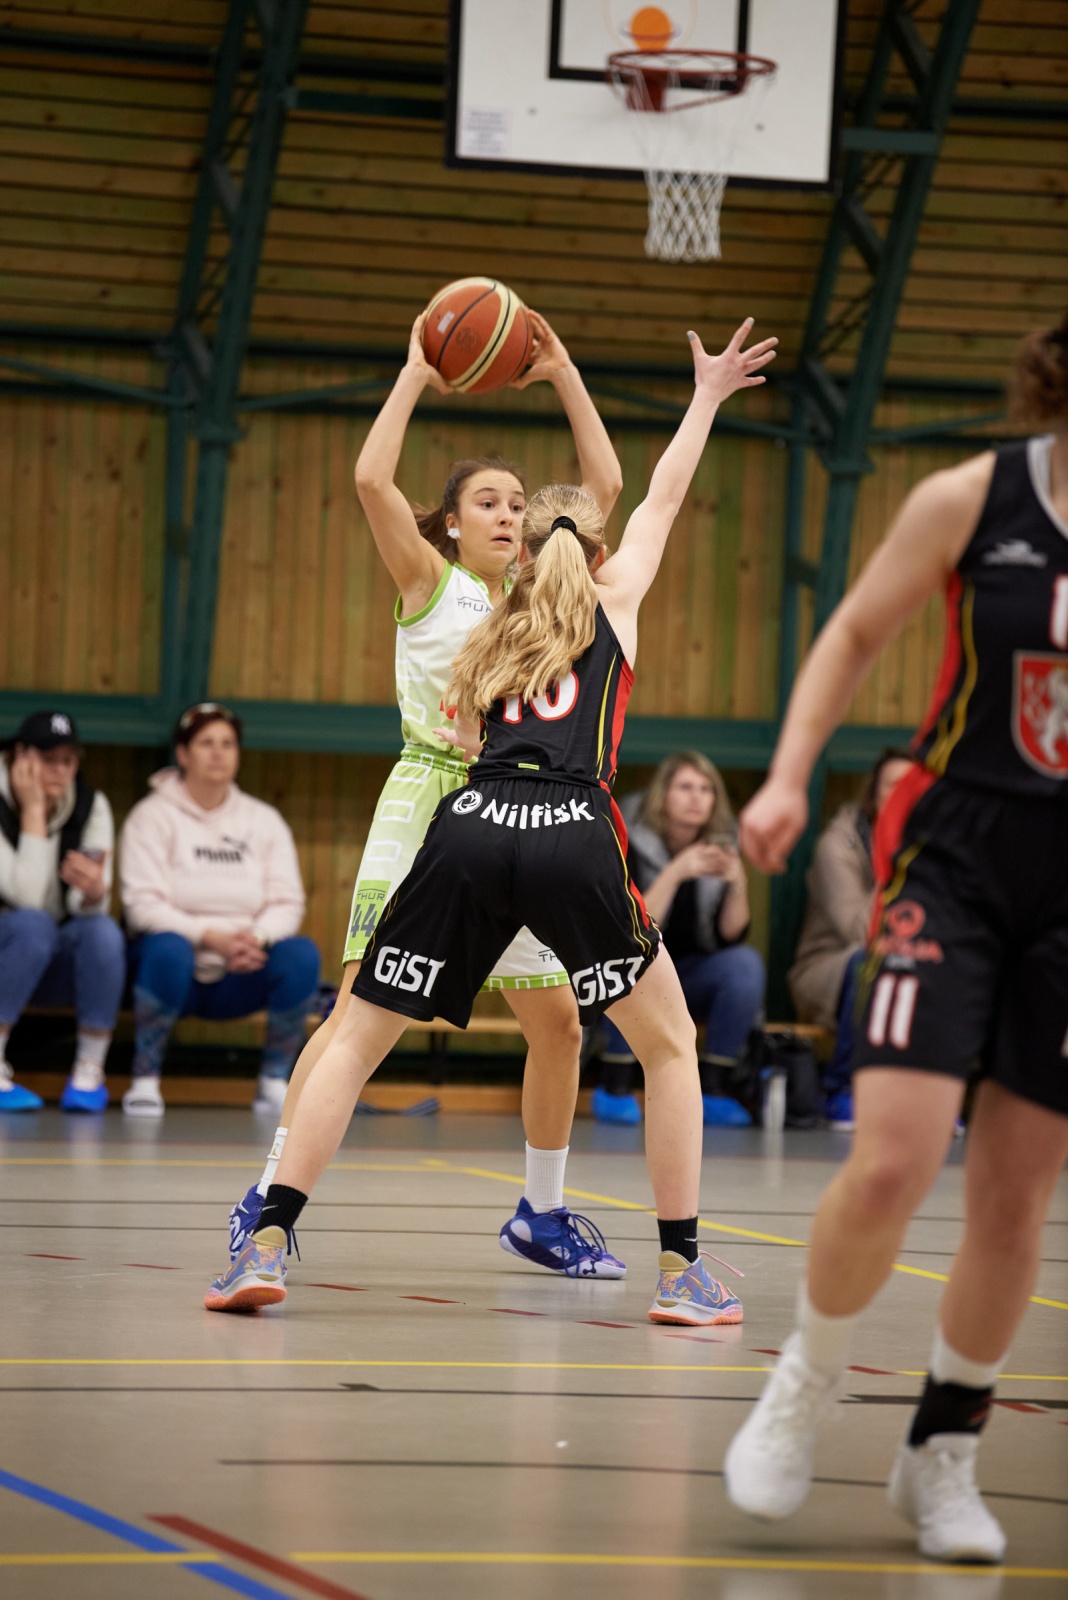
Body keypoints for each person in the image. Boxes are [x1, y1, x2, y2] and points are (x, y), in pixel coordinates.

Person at [203, 315, 778, 1321]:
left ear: (529, 544)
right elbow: (661, 492)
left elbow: (469, 727)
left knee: (357, 1034)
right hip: (570, 827)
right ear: (593, 548)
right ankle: (682, 1271)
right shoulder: (607, 596)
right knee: (669, 1045)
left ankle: (263, 1239)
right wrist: (705, 399)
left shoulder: (491, 617)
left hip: (468, 819)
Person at [724, 311, 1068, 1565]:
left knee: (1018, 1191)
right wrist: (786, 776)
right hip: (958, 851)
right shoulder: (974, 499)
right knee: (891, 1162)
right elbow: (856, 632)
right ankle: (805, 1381)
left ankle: (944, 1450)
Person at [226, 307, 632, 1281]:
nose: (507, 513)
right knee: (359, 1017)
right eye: (487, 500)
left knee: (559, 1022)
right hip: (428, 802)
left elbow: (607, 491)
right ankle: (268, 1197)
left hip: (519, 809)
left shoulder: (541, 595)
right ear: (451, 521)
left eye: (517, 502)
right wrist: (415, 370)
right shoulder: (430, 584)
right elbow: (372, 481)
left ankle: (541, 1212)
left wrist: (564, 369)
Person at [119, 704, 320, 1118]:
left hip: (242, 969)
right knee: (167, 948)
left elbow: (287, 901)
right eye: (206, 743)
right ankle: (145, 1079)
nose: (218, 753)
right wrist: (212, 938)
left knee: (301, 955)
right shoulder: (150, 817)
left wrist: (255, 940)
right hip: (175, 970)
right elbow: (141, 906)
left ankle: (275, 1081)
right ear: (182, 754)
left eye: (228, 744)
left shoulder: (264, 820)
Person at [592, 752, 764, 1128]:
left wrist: (738, 882)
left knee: (745, 964)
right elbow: (632, 927)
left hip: (691, 974)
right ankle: (615, 1085)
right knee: (629, 959)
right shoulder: (627, 838)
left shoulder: (721, 842)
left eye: (706, 789)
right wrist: (676, 872)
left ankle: (714, 1087)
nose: (696, 797)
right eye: (685, 787)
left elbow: (731, 934)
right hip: (638, 967)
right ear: (663, 795)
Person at [0, 710, 124, 1113]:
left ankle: (90, 1069)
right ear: (19, 756)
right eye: (48, 758)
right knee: (33, 925)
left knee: (102, 930)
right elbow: (27, 897)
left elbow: (89, 906)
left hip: (51, 957)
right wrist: (34, 812)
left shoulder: (90, 805)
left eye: (68, 761)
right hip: (11, 947)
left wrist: (92, 891)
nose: (59, 770)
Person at [789, 748, 914, 1127]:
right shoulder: (838, 843)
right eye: (894, 785)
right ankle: (843, 1089)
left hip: (903, 960)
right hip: (829, 970)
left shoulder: (936, 844)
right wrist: (897, 861)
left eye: (914, 785)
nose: (905, 793)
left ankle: (921, 1100)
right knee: (872, 962)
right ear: (873, 795)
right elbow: (859, 932)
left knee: (938, 966)